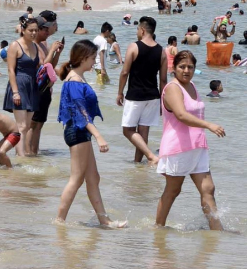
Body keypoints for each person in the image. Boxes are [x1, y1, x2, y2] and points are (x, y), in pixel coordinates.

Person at [55, 39, 126, 228]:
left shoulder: (77, 77)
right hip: (77, 132)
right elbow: (81, 112)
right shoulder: (75, 81)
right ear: (83, 57)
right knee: (76, 179)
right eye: (93, 57)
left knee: (93, 178)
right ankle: (59, 221)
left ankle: (104, 220)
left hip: (79, 132)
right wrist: (99, 136)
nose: (95, 61)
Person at [155, 50, 226, 231]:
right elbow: (181, 115)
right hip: (178, 146)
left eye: (190, 67)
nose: (186, 70)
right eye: (182, 67)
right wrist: (209, 125)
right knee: (173, 191)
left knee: (208, 189)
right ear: (174, 68)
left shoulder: (192, 85)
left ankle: (217, 230)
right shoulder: (172, 88)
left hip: (198, 146)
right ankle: (158, 228)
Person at [116, 16, 167, 165]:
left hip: (135, 95)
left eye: (138, 29)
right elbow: (163, 80)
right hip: (153, 96)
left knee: (128, 130)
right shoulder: (162, 51)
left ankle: (151, 156)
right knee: (143, 131)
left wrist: (120, 92)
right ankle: (138, 163)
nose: (137, 32)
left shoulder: (134, 46)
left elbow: (125, 72)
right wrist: (163, 101)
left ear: (142, 30)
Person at [3, 17, 41, 157]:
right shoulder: (15, 45)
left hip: (32, 86)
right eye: (31, 30)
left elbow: (40, 67)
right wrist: (15, 92)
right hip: (18, 85)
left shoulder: (35, 46)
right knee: (22, 126)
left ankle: (22, 153)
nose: (34, 33)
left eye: (36, 30)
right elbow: (10, 70)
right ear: (23, 30)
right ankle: (21, 156)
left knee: (28, 125)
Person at [29, 11, 64, 154]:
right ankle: (28, 152)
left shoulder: (44, 44)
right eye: (45, 30)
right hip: (36, 90)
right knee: (32, 124)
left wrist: (57, 53)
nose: (47, 33)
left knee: (40, 124)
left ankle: (34, 152)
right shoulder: (33, 45)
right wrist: (51, 52)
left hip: (46, 90)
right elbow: (42, 66)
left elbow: (51, 66)